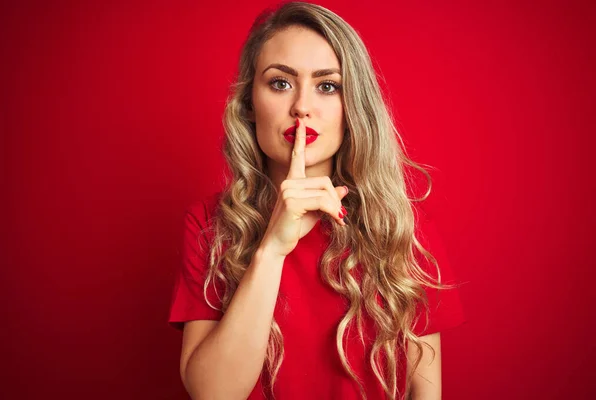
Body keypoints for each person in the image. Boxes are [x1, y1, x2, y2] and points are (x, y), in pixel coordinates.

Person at [168, 2, 467, 399]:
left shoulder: (402, 228)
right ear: (249, 104)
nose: (302, 107)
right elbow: (213, 394)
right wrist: (272, 249)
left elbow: (425, 394)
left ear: (352, 106)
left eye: (327, 85)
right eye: (280, 83)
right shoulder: (209, 223)